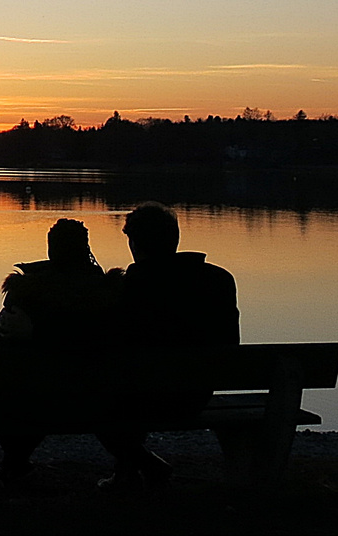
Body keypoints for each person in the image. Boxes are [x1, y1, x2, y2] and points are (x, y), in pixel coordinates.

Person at [95, 201, 239, 493]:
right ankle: (130, 474)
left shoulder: (131, 286)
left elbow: (111, 343)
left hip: (141, 395)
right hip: (196, 393)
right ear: (174, 238)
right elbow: (230, 342)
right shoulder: (219, 280)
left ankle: (147, 467)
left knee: (100, 401)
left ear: (134, 243)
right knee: (134, 382)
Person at [0, 218, 113, 488]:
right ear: (85, 249)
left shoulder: (26, 292)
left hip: (35, 403)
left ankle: (14, 464)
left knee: (5, 384)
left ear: (51, 250)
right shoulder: (108, 292)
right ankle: (15, 464)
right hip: (96, 401)